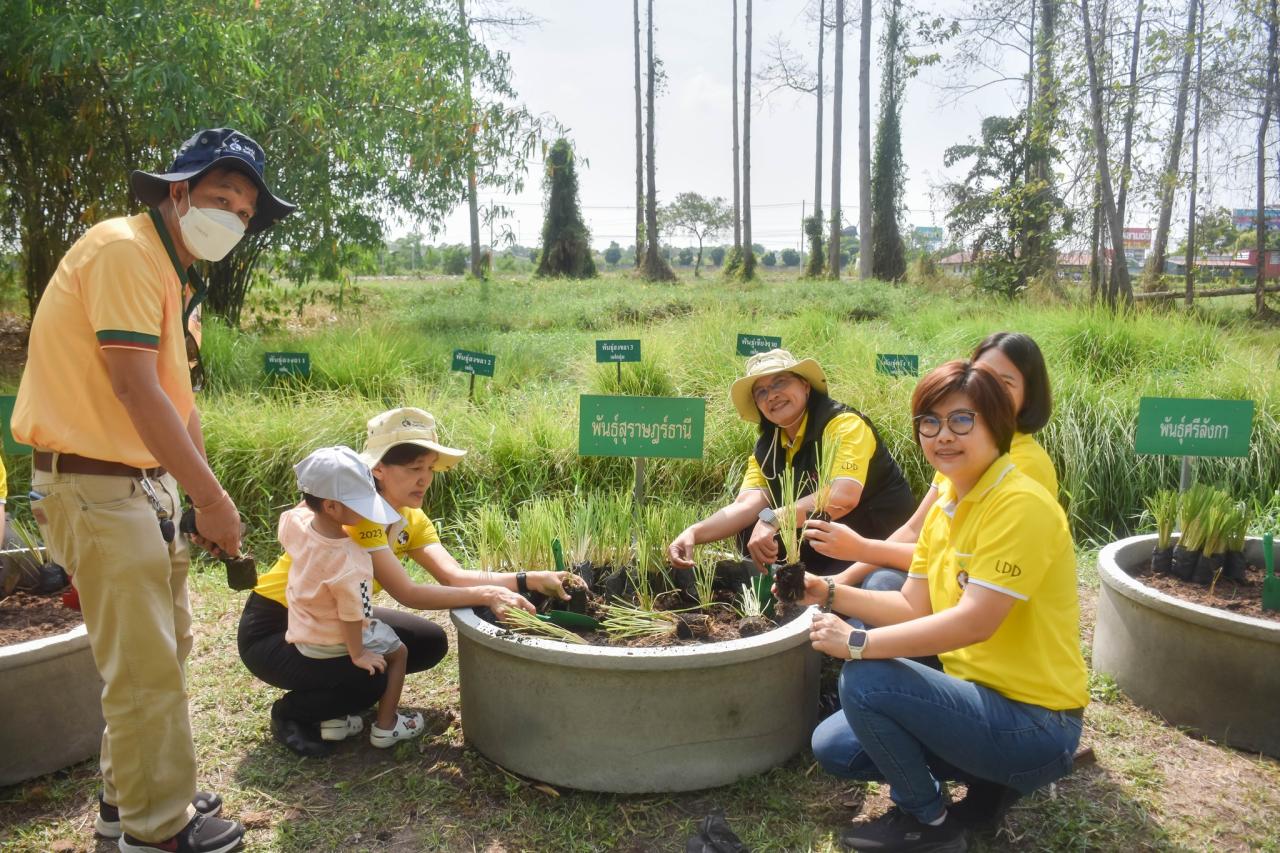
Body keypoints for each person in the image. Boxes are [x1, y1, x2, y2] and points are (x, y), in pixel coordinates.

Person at [12, 128, 295, 853]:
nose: (232, 218)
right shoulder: (123, 252)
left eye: (244, 209)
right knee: (142, 670)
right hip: (95, 484)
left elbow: (178, 403)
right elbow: (135, 390)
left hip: (140, 485)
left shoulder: (173, 276)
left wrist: (205, 493)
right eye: (219, 197)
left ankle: (131, 796)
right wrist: (213, 501)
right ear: (178, 192)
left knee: (162, 651)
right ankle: (156, 830)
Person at [803, 360, 1087, 852]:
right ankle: (989, 774)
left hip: (1039, 721)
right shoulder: (949, 505)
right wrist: (825, 592)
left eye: (961, 420)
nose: (943, 436)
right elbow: (912, 607)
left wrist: (856, 642)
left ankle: (930, 823)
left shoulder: (1019, 505)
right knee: (837, 747)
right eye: (929, 423)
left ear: (997, 424)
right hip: (977, 697)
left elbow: (974, 622)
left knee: (867, 677)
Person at [238, 407, 572, 757]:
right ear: (377, 468)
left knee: (428, 642)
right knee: (377, 672)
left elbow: (453, 576)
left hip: (336, 616)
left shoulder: (409, 516)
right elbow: (406, 592)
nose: (424, 479)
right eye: (414, 468)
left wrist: (528, 579)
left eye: (430, 468)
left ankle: (339, 703)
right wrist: (489, 594)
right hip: (279, 629)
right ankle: (294, 713)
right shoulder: (355, 516)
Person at [806, 332, 1057, 593]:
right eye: (984, 377)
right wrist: (841, 580)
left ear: (1029, 395)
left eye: (1004, 383)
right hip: (949, 583)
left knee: (881, 583)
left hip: (975, 592)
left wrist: (863, 551)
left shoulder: (1023, 469)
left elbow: (959, 568)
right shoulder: (960, 455)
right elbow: (915, 529)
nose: (989, 391)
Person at [668, 349, 915, 576]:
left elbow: (843, 497)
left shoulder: (843, 425)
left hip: (877, 540)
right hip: (826, 541)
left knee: (767, 522)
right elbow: (746, 505)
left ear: (805, 386)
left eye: (780, 382)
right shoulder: (768, 447)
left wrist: (772, 519)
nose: (772, 395)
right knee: (749, 530)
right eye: (761, 392)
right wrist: (694, 532)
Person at [282, 446, 429, 748]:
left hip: (303, 634)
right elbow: (356, 614)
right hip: (332, 640)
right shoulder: (354, 562)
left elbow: (294, 512)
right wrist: (358, 652)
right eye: (360, 503)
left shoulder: (294, 525)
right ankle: (387, 725)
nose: (366, 512)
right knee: (398, 652)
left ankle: (336, 721)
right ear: (332, 508)